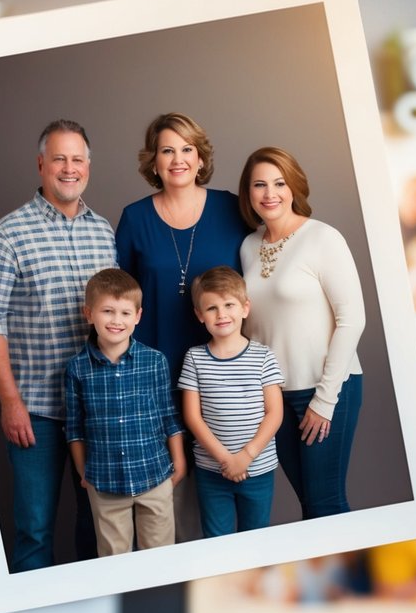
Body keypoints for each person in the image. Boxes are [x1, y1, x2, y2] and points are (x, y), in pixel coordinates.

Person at [0, 119, 114, 572]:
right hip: (37, 412)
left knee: (99, 525)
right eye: (59, 159)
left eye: (77, 159)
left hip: (97, 408)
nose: (69, 169)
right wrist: (10, 402)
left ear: (88, 165)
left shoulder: (104, 231)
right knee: (34, 529)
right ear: (40, 165)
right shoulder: (5, 236)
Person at [115, 113, 251, 541]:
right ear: (153, 162)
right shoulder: (134, 218)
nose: (178, 159)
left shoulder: (232, 208)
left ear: (200, 157)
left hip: (223, 376)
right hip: (153, 376)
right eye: (167, 150)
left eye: (187, 149)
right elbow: (118, 298)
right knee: (164, 496)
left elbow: (261, 275)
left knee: (218, 484)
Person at [238, 146, 366, 520]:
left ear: (294, 186)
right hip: (274, 396)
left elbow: (352, 319)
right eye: (259, 185)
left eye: (279, 183)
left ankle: (348, 577)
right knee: (309, 506)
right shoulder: (248, 246)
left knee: (325, 504)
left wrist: (324, 400)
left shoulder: (323, 238)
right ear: (248, 193)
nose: (269, 193)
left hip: (327, 388)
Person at [64, 269, 185, 556]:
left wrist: (178, 462)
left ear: (138, 316)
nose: (117, 320)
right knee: (114, 557)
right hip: (104, 482)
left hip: (154, 476)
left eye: (125, 313)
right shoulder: (77, 368)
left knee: (160, 556)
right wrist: (84, 473)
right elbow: (74, 428)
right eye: (107, 311)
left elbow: (169, 416)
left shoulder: (154, 361)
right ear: (89, 313)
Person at [178, 267, 283, 537]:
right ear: (200, 315)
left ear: (245, 308)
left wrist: (245, 457)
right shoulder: (194, 358)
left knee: (257, 539)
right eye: (211, 308)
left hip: (257, 469)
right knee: (216, 540)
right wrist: (226, 460)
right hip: (213, 471)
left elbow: (274, 414)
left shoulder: (263, 356)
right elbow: (193, 417)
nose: (221, 314)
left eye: (229, 305)